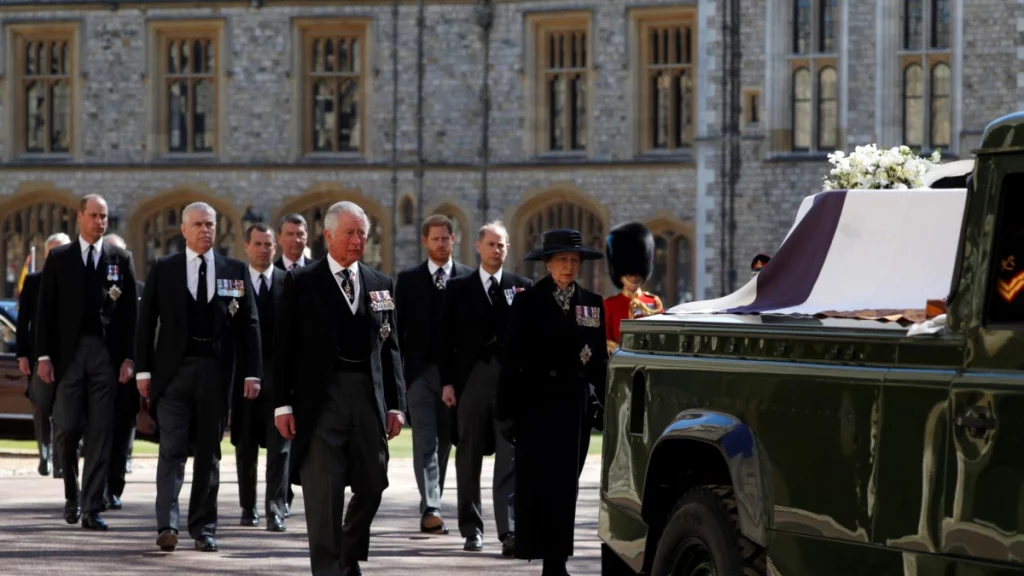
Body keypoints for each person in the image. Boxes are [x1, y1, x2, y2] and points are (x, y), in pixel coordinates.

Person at [274, 200, 407, 576]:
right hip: (320, 401)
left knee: (374, 482)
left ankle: (348, 550)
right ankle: (329, 569)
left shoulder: (381, 284)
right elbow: (282, 349)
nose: (357, 240)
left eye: (362, 233)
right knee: (324, 494)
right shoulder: (301, 282)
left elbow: (391, 349)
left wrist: (396, 404)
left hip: (367, 398)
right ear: (329, 236)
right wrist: (282, 405)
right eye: (349, 233)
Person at [135, 201, 262, 553]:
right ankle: (167, 525)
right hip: (173, 374)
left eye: (210, 224)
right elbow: (145, 324)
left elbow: (249, 325)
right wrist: (143, 370)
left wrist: (253, 373)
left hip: (215, 373)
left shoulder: (234, 270)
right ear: (184, 230)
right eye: (198, 224)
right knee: (172, 450)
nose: (205, 230)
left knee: (209, 454)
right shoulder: (164, 268)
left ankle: (204, 529)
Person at [495, 228, 609, 576]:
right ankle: (545, 558)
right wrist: (506, 413)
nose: (568, 267)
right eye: (562, 260)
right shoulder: (528, 302)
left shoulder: (591, 303)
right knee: (538, 487)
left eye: (574, 260)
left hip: (574, 409)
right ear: (547, 263)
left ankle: (557, 562)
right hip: (536, 407)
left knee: (565, 488)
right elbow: (511, 359)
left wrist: (606, 403)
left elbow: (599, 361)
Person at [35, 194, 138, 531]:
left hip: (106, 357)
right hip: (69, 357)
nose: (99, 222)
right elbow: (45, 311)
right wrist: (44, 356)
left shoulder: (120, 258)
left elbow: (130, 315)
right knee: (66, 428)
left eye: (103, 216)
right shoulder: (60, 257)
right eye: (93, 215)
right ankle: (72, 494)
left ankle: (92, 507)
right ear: (79, 217)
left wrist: (129, 358)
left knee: (100, 432)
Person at [439, 220, 532, 555]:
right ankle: (471, 529)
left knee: (510, 455)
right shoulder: (458, 288)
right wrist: (447, 383)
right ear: (478, 247)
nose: (497, 250)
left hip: (509, 383)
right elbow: (445, 340)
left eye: (502, 244)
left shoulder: (522, 287)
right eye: (491, 244)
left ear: (508, 248)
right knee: (468, 456)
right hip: (471, 381)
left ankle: (509, 530)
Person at [394, 213, 472, 535]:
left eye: (446, 238)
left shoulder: (467, 279)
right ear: (425, 241)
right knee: (425, 439)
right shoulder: (408, 280)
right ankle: (431, 507)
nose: (441, 244)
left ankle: (432, 500)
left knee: (445, 441)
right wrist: (401, 376)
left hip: (454, 376)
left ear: (454, 240)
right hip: (419, 375)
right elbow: (397, 331)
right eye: (435, 238)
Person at [231, 223, 290, 533]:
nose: (263, 249)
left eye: (268, 245)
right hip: (243, 378)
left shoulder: (288, 282)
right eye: (258, 244)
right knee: (245, 445)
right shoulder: (234, 283)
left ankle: (275, 509)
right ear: (246, 246)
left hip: (279, 379)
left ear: (275, 248)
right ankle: (248, 506)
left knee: (280, 448)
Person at [16, 232, 71, 478]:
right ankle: (45, 455)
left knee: (64, 409)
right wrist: (22, 355)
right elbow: (23, 321)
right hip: (38, 356)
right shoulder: (34, 281)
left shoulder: (76, 281)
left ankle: (60, 460)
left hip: (68, 358)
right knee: (41, 407)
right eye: (53, 251)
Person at [99, 233, 140, 509]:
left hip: (124, 371)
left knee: (121, 430)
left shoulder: (140, 290)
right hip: (96, 366)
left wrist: (133, 361)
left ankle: (113, 487)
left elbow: (141, 331)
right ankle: (94, 486)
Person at [603, 222, 664, 358]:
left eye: (636, 273)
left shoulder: (654, 302)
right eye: (629, 273)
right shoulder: (609, 304)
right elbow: (605, 338)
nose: (633, 277)